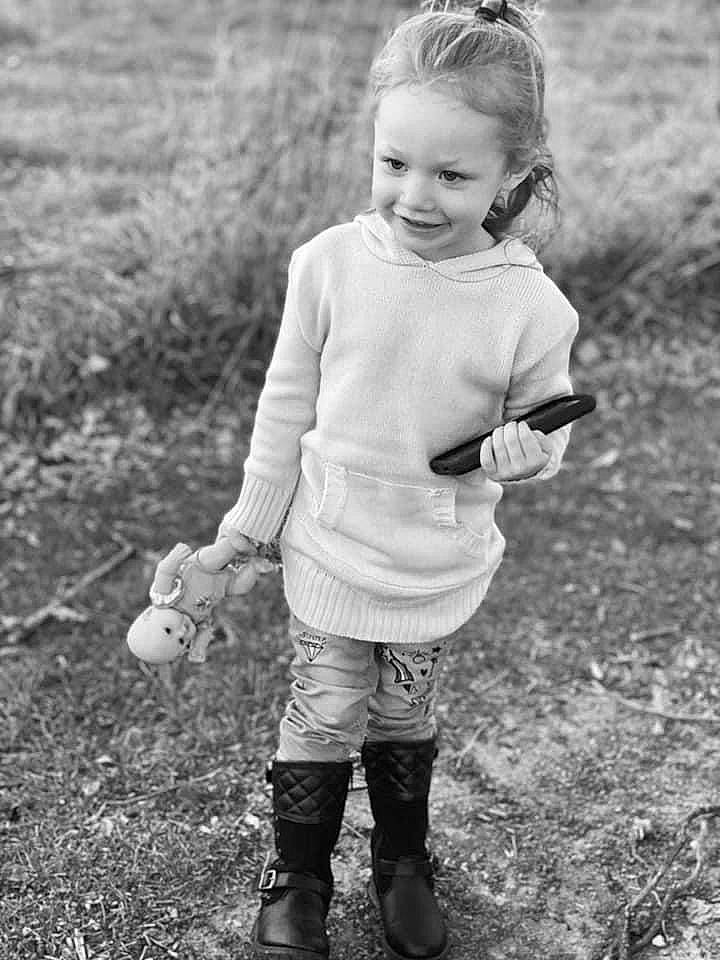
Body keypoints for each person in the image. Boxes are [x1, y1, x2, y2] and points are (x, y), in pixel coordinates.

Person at [184, 1, 580, 957]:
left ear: (511, 178)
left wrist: (529, 454)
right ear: (373, 145)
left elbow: (545, 420)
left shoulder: (526, 303)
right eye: (394, 163)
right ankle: (300, 874)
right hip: (330, 543)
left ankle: (404, 862)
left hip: (432, 559)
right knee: (322, 707)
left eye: (452, 175)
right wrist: (249, 527)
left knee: (404, 710)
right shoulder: (327, 265)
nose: (415, 194)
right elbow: (286, 408)